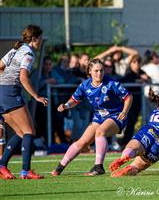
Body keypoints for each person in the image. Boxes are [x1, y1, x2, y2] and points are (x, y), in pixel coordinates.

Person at [51, 58, 133, 176]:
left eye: (101, 70)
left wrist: (125, 111)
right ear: (89, 71)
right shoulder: (84, 85)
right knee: (82, 142)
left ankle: (98, 167)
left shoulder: (111, 83)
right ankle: (60, 167)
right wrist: (66, 105)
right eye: (96, 71)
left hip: (116, 116)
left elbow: (128, 97)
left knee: (100, 131)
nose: (99, 73)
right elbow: (75, 99)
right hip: (99, 116)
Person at [0, 25, 47, 179]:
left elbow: (0, 66)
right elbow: (23, 77)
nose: (40, 42)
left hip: (2, 92)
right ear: (34, 38)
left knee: (20, 133)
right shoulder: (28, 53)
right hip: (10, 92)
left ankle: (2, 166)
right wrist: (36, 96)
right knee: (29, 132)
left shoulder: (16, 50)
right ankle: (25, 171)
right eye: (39, 38)